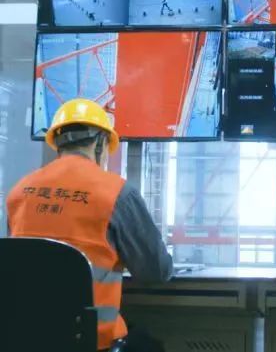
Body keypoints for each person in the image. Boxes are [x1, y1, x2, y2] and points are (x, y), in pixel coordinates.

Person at [6, 99, 173, 352]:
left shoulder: (18, 192)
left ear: (57, 143)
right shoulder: (117, 194)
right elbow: (156, 271)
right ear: (100, 143)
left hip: (24, 338)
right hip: (93, 341)